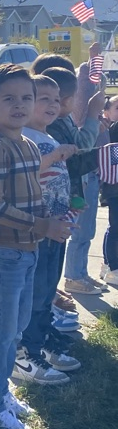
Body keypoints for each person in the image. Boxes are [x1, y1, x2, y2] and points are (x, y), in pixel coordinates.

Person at [0, 65, 73, 429]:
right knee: (0, 331)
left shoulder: (29, 145)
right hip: (4, 253)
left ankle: (1, 393)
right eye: (9, 98)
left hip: (28, 250)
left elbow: (32, 196)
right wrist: (42, 226)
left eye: (26, 98)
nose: (19, 105)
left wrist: (52, 220)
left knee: (16, 328)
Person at [13, 74, 82, 386]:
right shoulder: (24, 138)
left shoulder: (48, 136)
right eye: (44, 98)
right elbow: (28, 170)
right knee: (36, 294)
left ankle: (40, 347)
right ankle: (25, 354)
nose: (53, 105)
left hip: (57, 227)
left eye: (56, 99)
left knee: (47, 292)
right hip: (38, 232)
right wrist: (54, 156)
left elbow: (56, 180)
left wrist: (71, 205)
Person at [40, 66, 105, 295]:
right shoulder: (50, 128)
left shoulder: (58, 122)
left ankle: (48, 313)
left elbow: (69, 164)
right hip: (46, 218)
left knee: (51, 271)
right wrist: (93, 114)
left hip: (63, 206)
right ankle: (72, 279)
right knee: (43, 274)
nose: (53, 106)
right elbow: (75, 157)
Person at [101, 95, 118, 286]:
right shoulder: (112, 130)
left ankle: (109, 263)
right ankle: (111, 266)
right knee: (115, 228)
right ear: (107, 112)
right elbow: (114, 158)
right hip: (114, 187)